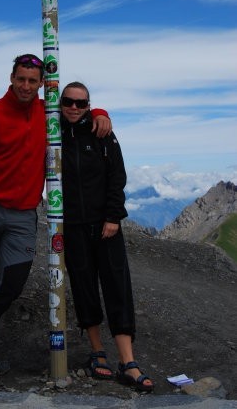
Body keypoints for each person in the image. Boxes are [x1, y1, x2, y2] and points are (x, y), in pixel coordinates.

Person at [0, 54, 112, 387]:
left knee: (11, 283)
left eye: (33, 81)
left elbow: (77, 111)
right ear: (12, 78)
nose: (26, 86)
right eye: (21, 79)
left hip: (22, 216)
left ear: (40, 85)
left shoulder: (47, 115)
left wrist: (101, 113)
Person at [60, 81, 154, 393]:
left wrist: (114, 216)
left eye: (82, 103)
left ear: (89, 105)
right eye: (68, 102)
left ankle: (128, 362)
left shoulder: (102, 133)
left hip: (105, 225)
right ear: (59, 103)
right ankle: (97, 352)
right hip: (72, 226)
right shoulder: (52, 131)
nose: (74, 108)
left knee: (117, 285)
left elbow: (117, 174)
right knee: (83, 285)